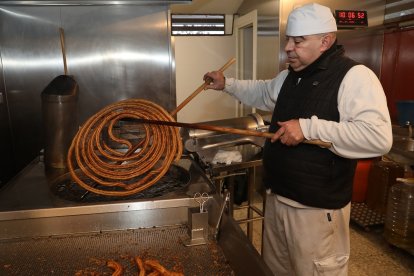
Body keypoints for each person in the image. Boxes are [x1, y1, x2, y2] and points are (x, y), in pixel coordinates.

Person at [203, 3, 392, 275]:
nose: (288, 47)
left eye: (298, 41)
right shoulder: (291, 76)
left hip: (316, 211)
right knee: (275, 270)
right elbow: (263, 91)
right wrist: (227, 84)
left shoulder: (355, 77)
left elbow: (378, 138)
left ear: (325, 41)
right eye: (288, 39)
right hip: (278, 199)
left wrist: (308, 128)